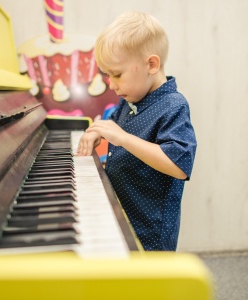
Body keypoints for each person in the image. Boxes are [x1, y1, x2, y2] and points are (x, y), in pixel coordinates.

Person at [77, 11, 197, 251]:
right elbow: (115, 123)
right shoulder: (132, 98)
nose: (111, 84)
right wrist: (98, 131)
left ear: (151, 64)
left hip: (149, 231)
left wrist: (122, 138)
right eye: (108, 75)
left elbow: (179, 165)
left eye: (117, 74)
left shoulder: (173, 105)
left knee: (150, 287)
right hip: (124, 216)